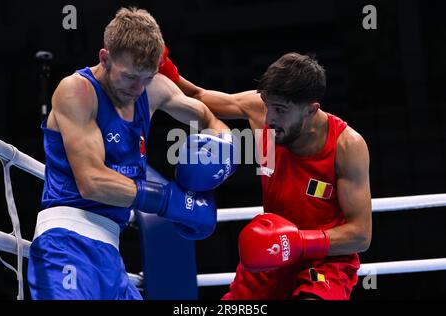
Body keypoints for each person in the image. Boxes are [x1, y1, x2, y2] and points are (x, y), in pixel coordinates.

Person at [27, 7, 237, 300]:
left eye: (147, 77)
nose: (138, 88)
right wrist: (170, 200)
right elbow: (92, 182)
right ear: (105, 58)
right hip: (66, 244)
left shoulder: (152, 88)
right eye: (129, 77)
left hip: (111, 253)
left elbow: (207, 117)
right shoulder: (77, 91)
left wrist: (221, 153)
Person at [159, 49, 372, 300]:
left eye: (280, 110)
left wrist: (299, 243)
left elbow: (360, 235)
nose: (269, 119)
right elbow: (197, 96)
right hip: (270, 254)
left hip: (324, 263)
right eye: (268, 106)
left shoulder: (347, 146)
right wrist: (161, 63)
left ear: (311, 110)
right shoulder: (262, 112)